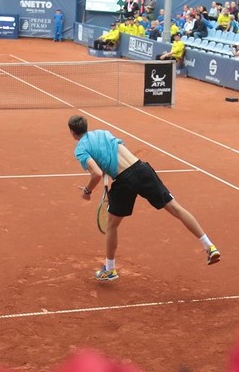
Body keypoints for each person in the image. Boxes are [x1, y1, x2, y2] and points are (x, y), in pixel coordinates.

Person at [68, 115, 219, 282]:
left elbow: (96, 172)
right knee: (176, 208)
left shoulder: (80, 149)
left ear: (72, 132)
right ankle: (209, 246)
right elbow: (117, 151)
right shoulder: (103, 133)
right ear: (86, 127)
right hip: (142, 169)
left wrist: (87, 191)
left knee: (112, 225)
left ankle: (110, 270)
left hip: (124, 181)